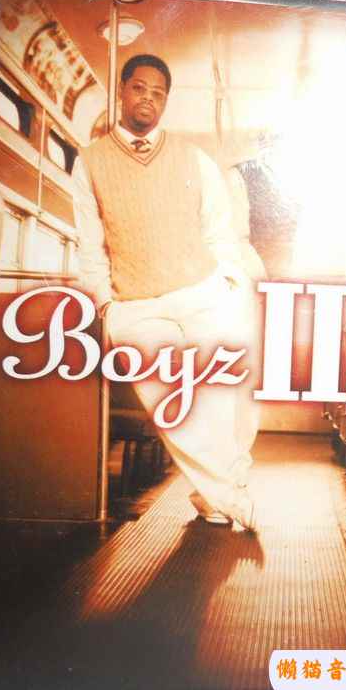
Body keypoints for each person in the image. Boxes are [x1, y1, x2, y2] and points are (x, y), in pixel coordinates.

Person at [72, 54, 260, 531]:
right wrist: (105, 302)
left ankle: (214, 494)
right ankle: (230, 496)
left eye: (158, 93)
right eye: (139, 88)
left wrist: (229, 281)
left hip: (201, 291)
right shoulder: (89, 162)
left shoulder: (193, 158)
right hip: (135, 303)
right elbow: (89, 244)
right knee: (171, 400)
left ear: (166, 101)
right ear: (122, 90)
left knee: (224, 391)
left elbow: (218, 229)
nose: (147, 99)